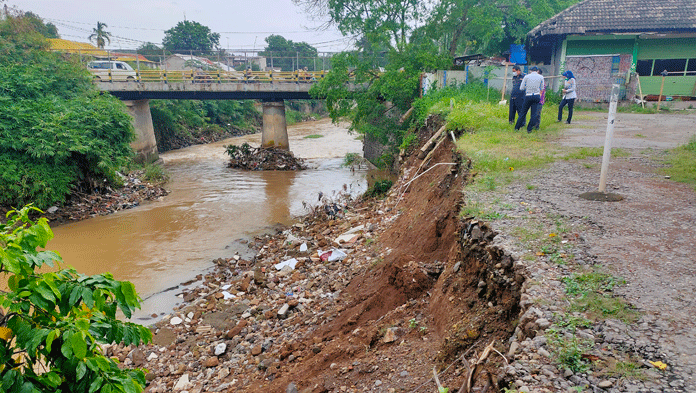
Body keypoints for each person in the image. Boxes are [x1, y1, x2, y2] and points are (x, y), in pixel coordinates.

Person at [514, 66, 544, 133]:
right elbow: (542, 88)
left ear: (530, 70)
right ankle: (529, 129)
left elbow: (521, 88)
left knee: (523, 112)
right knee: (534, 114)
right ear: (537, 71)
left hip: (528, 95)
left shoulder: (527, 77)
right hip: (536, 96)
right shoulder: (541, 77)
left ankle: (517, 128)